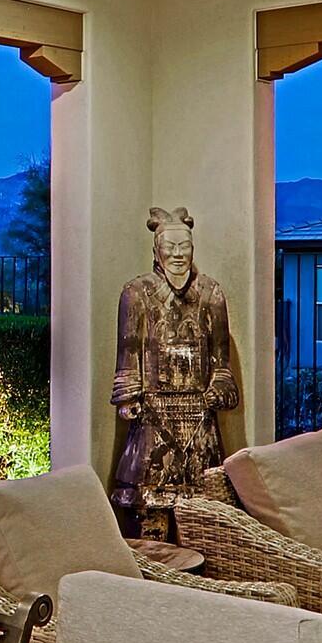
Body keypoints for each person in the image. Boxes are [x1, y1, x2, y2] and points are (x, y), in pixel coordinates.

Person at [108, 207, 236, 524]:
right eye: (170, 247)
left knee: (203, 514)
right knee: (148, 508)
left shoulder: (211, 293)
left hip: (198, 412)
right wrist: (128, 399)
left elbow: (221, 359)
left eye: (185, 247)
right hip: (153, 412)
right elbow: (128, 351)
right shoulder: (136, 293)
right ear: (157, 250)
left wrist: (219, 388)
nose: (178, 255)